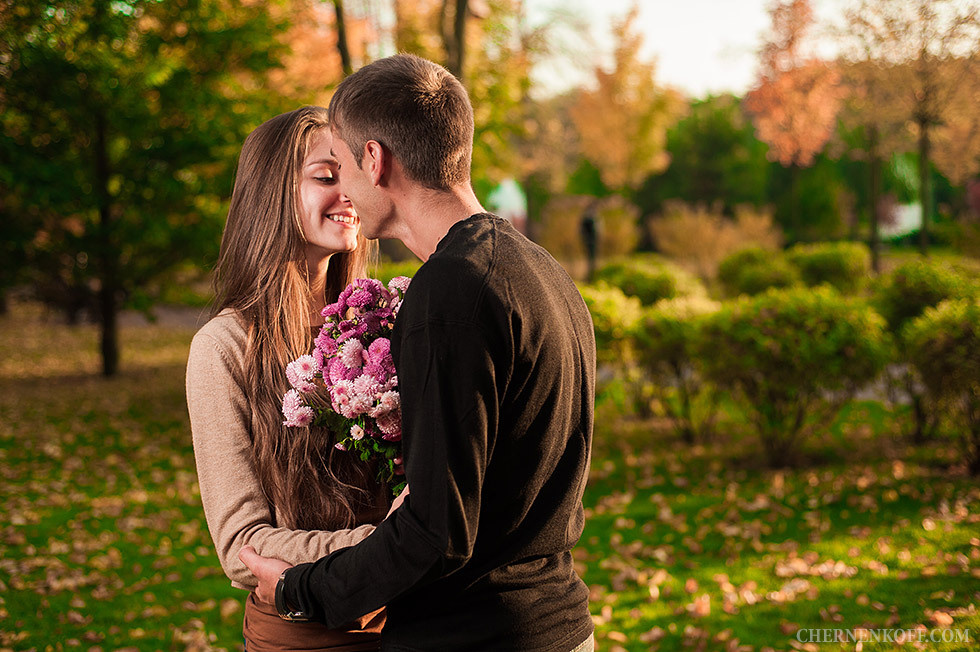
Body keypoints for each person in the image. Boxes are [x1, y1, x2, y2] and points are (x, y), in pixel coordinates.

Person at [240, 54, 596, 652]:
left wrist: (303, 589)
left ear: (374, 161)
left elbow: (437, 532)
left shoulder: (449, 292)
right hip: (556, 624)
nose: (347, 190)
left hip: (478, 635)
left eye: (345, 166)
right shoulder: (540, 270)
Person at [185, 106, 390, 652]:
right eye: (326, 177)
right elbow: (242, 547)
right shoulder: (223, 349)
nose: (348, 192)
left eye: (352, 174)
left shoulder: (382, 327)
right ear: (271, 196)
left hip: (414, 620)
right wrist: (391, 549)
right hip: (306, 632)